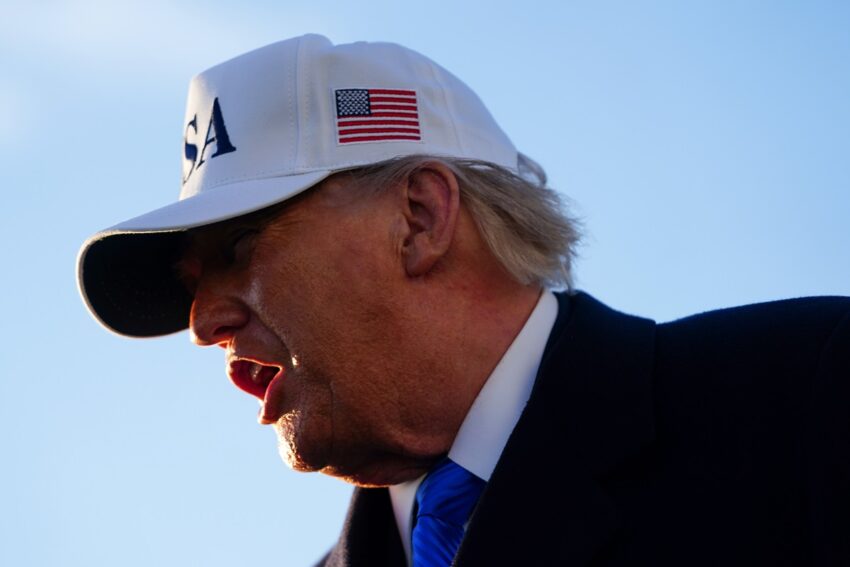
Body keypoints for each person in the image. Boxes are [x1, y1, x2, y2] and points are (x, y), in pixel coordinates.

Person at [77, 35, 850, 567]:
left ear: (419, 217)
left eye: (241, 246)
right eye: (192, 283)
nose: (202, 323)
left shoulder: (808, 396)